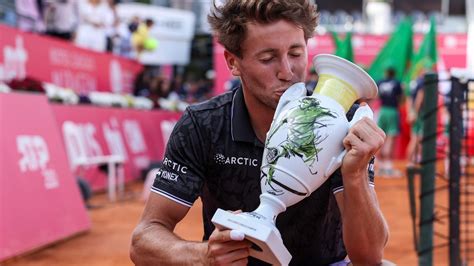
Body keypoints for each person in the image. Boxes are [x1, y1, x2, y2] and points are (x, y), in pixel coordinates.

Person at [130, 1, 389, 265]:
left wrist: (354, 174)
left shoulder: (342, 126)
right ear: (233, 62)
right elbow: (144, 240)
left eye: (296, 54)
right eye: (268, 58)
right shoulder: (204, 125)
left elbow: (369, 257)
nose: (287, 72)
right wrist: (204, 256)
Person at [376, 67, 404, 177]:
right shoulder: (397, 83)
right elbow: (401, 99)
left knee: (381, 137)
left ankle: (380, 165)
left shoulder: (380, 82)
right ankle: (387, 166)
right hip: (392, 111)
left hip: (382, 110)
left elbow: (377, 96)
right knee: (391, 138)